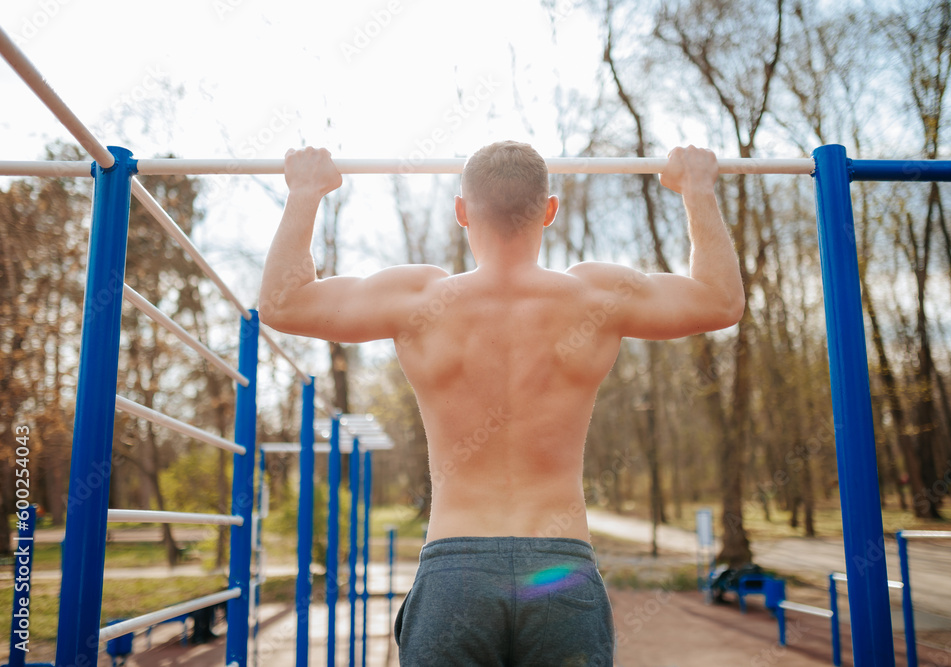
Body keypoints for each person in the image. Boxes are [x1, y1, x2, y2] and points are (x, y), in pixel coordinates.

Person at [259, 140, 744, 666]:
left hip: (455, 574)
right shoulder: (596, 297)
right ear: (550, 211)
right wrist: (697, 190)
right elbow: (721, 300)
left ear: (462, 212)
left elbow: (283, 303)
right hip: (560, 573)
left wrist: (305, 192)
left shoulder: (419, 299)